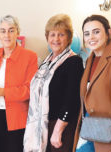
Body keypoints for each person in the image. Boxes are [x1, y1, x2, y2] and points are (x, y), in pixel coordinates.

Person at [73, 14, 111, 152]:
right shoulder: (90, 60)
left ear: (108, 32)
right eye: (87, 34)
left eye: (96, 32)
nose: (91, 37)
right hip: (89, 131)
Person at [23, 14, 84, 152]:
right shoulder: (47, 62)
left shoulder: (74, 62)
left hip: (61, 128)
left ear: (68, 37)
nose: (56, 39)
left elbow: (72, 100)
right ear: (47, 37)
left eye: (61, 35)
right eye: (52, 35)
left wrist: (58, 130)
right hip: (43, 126)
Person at [0, 15, 38, 152]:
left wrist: (3, 92)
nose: (7, 35)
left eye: (11, 30)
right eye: (3, 31)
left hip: (17, 118)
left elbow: (30, 90)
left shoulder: (30, 57)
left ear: (18, 33)